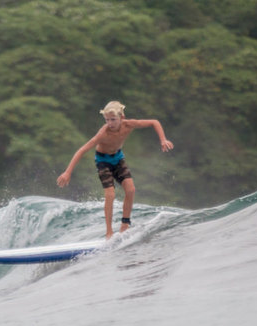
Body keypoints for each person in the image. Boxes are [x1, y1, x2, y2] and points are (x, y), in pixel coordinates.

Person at [57, 101, 174, 238]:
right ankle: (109, 232)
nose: (110, 123)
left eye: (113, 119)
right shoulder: (103, 133)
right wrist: (68, 172)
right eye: (107, 120)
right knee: (110, 195)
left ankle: (125, 224)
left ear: (122, 117)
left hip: (118, 159)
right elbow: (82, 150)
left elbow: (154, 122)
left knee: (131, 190)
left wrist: (163, 140)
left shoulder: (129, 124)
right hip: (103, 161)